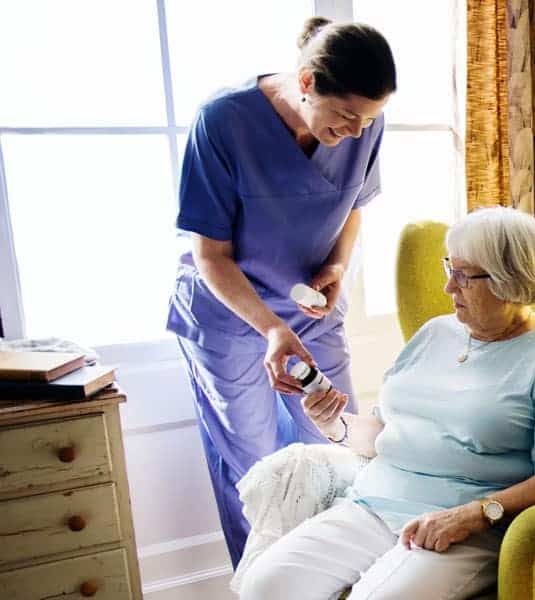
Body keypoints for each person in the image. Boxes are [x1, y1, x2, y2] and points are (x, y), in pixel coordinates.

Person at [239, 207, 535, 600]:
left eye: (463, 275)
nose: (449, 288)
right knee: (265, 586)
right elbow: (384, 432)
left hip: (460, 526)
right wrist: (334, 425)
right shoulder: (435, 333)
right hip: (373, 504)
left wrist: (474, 515)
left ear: (508, 279)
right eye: (449, 269)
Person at [166, 17, 396, 568]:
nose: (357, 132)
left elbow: (353, 208)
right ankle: (268, 584)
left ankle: (340, 578)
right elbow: (210, 256)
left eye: (369, 120)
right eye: (346, 116)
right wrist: (271, 328)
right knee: (256, 466)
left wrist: (338, 265)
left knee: (342, 448)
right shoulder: (223, 123)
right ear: (308, 81)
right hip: (230, 315)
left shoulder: (363, 126)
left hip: (311, 310)